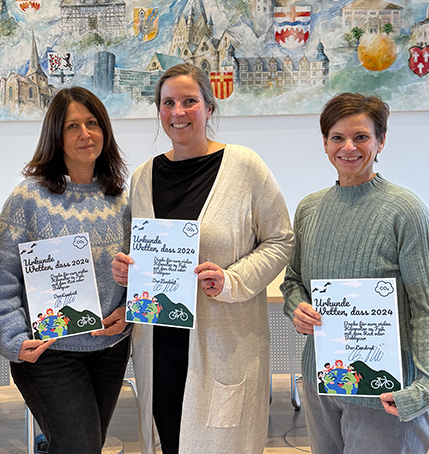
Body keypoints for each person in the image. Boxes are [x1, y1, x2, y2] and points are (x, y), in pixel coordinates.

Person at [112, 64, 294, 454]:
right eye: (168, 103)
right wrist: (127, 270)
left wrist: (232, 280)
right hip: (159, 346)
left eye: (189, 101)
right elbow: (139, 250)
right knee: (169, 440)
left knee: (221, 442)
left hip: (224, 344)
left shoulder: (244, 167)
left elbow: (280, 240)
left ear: (209, 108)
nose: (178, 112)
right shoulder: (143, 177)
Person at [280, 93, 429, 454]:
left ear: (381, 141)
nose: (348, 147)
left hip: (388, 393)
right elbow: (293, 281)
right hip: (323, 383)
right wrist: (297, 307)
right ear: (325, 143)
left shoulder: (407, 211)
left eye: (361, 137)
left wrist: (427, 388)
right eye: (337, 137)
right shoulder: (309, 209)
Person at [0, 87, 132, 454]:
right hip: (48, 351)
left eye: (92, 123)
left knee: (86, 446)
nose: (85, 134)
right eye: (72, 126)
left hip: (109, 349)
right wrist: (13, 340)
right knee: (79, 446)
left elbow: (136, 273)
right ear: (56, 135)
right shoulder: (28, 199)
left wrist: (127, 312)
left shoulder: (121, 199)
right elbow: (2, 280)